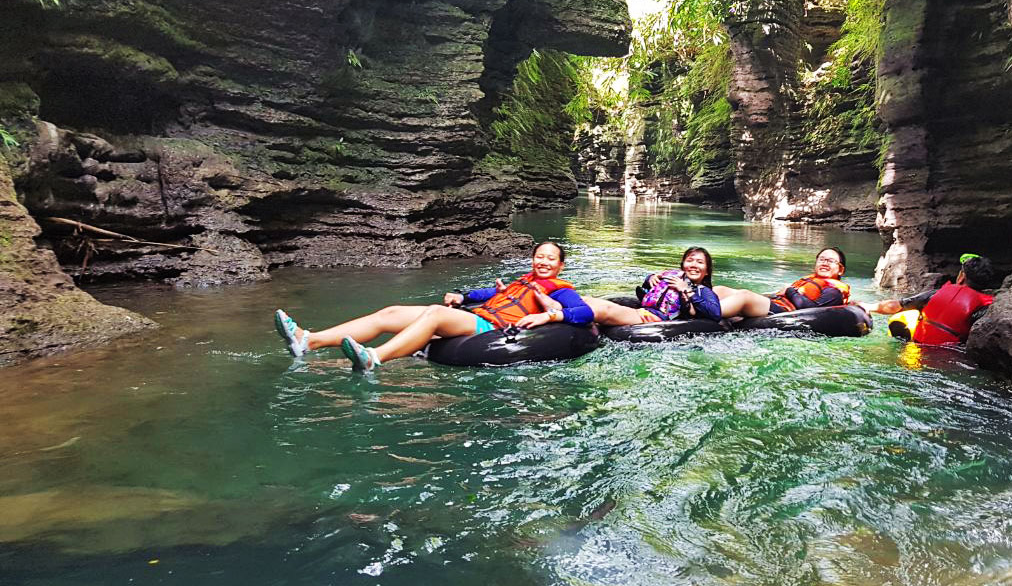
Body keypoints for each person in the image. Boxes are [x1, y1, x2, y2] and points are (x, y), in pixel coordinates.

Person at [273, 241, 593, 371]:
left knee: (435, 314)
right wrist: (463, 296)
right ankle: (309, 340)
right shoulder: (522, 280)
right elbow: (487, 294)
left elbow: (584, 314)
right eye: (540, 256)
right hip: (477, 315)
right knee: (392, 312)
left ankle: (374, 358)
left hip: (492, 329)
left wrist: (548, 315)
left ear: (560, 265)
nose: (544, 261)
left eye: (551, 258)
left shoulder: (562, 290)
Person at [866, 253, 997, 345]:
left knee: (907, 315)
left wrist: (866, 306)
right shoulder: (987, 306)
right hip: (953, 356)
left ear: (962, 277)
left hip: (917, 350)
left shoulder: (937, 293)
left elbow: (896, 306)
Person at [583, 246, 721, 325]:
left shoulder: (703, 291)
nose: (694, 265)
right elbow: (646, 293)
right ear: (683, 265)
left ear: (707, 271)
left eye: (700, 262)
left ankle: (565, 315)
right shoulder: (672, 278)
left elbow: (715, 314)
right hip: (644, 311)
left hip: (654, 318)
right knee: (588, 299)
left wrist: (686, 289)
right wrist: (650, 279)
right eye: (690, 260)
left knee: (605, 311)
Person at [713, 247, 851, 318]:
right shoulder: (811, 280)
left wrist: (789, 290)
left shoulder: (834, 291)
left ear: (840, 270)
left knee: (744, 296)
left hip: (785, 312)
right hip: (777, 304)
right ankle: (695, 305)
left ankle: (705, 312)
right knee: (721, 290)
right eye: (821, 259)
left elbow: (810, 309)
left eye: (831, 261)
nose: (825, 263)